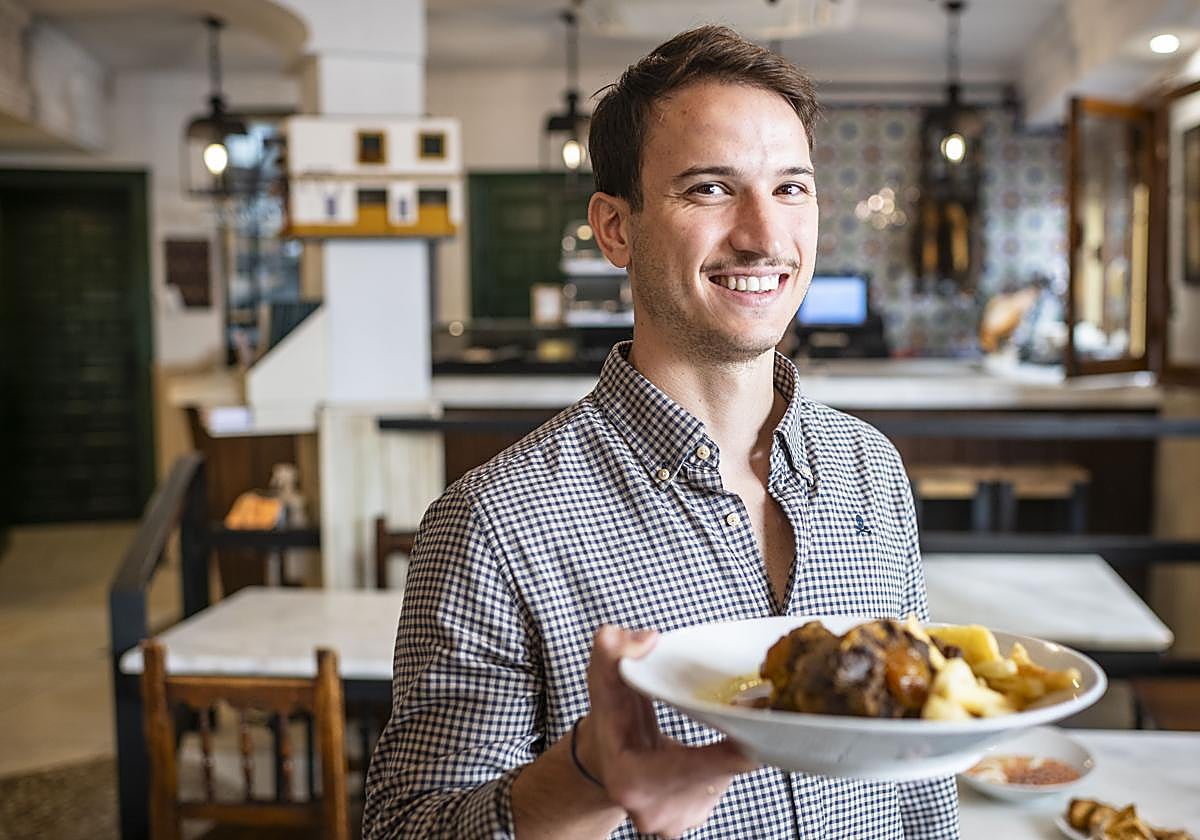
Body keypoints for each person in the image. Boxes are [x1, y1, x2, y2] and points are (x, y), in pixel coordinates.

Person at [364, 25, 959, 840]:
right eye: (711, 188)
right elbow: (407, 828)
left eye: (791, 188)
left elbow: (919, 777)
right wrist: (585, 778)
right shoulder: (494, 526)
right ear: (615, 228)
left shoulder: (872, 472)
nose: (764, 235)